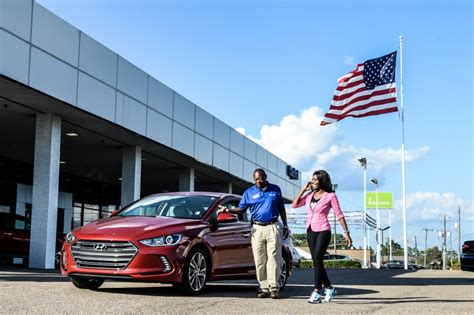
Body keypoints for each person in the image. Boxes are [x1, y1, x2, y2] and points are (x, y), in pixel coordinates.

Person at [218, 168, 289, 299]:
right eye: (256, 179)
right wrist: (227, 209)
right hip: (257, 228)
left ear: (265, 177)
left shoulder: (275, 189)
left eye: (261, 178)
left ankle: (274, 287)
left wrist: (285, 225)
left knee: (274, 257)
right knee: (260, 259)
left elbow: (281, 209)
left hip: (273, 226)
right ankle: (263, 287)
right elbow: (241, 209)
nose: (259, 181)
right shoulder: (249, 192)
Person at [291, 170, 352, 304]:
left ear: (321, 181)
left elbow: (339, 214)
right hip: (310, 230)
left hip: (323, 230)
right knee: (316, 261)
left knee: (317, 258)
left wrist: (346, 232)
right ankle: (329, 288)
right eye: (311, 180)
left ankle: (317, 291)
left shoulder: (330, 196)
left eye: (315, 180)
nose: (312, 182)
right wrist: (303, 190)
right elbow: (294, 204)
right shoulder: (309, 195)